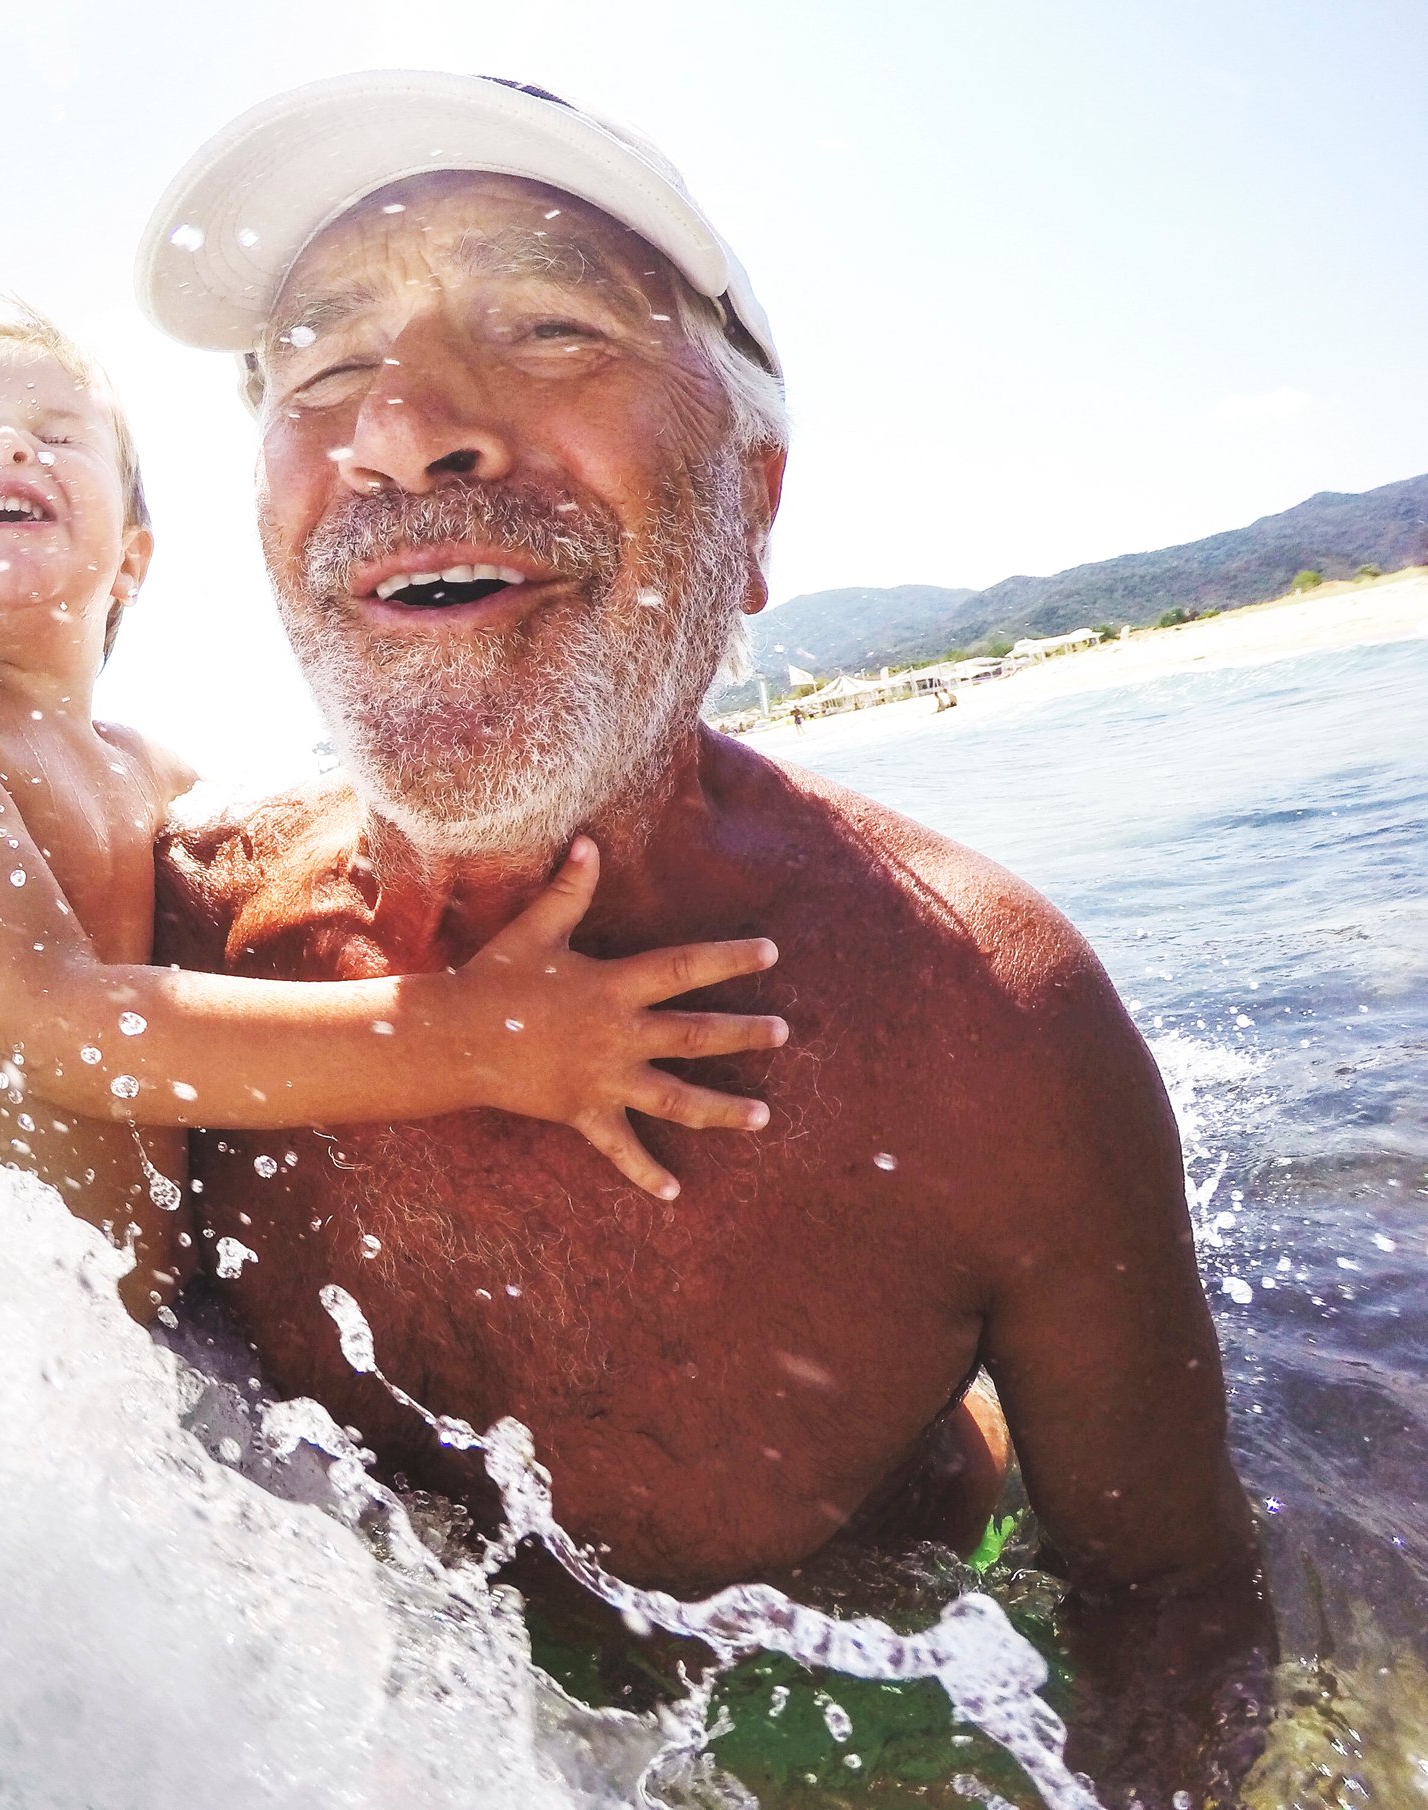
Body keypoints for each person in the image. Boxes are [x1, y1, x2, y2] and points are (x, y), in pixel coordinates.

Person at [135, 72, 1270, 1803]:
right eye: (324, 361)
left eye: (549, 327)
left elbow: (1169, 1604)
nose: (410, 424)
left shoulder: (986, 1031)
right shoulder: (174, 953)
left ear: (753, 503)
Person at [0, 309, 791, 1325]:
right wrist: (481, 1036)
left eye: (55, 433)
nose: (4, 445)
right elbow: (52, 1029)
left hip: (161, 1347)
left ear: (133, 559)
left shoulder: (152, 770)